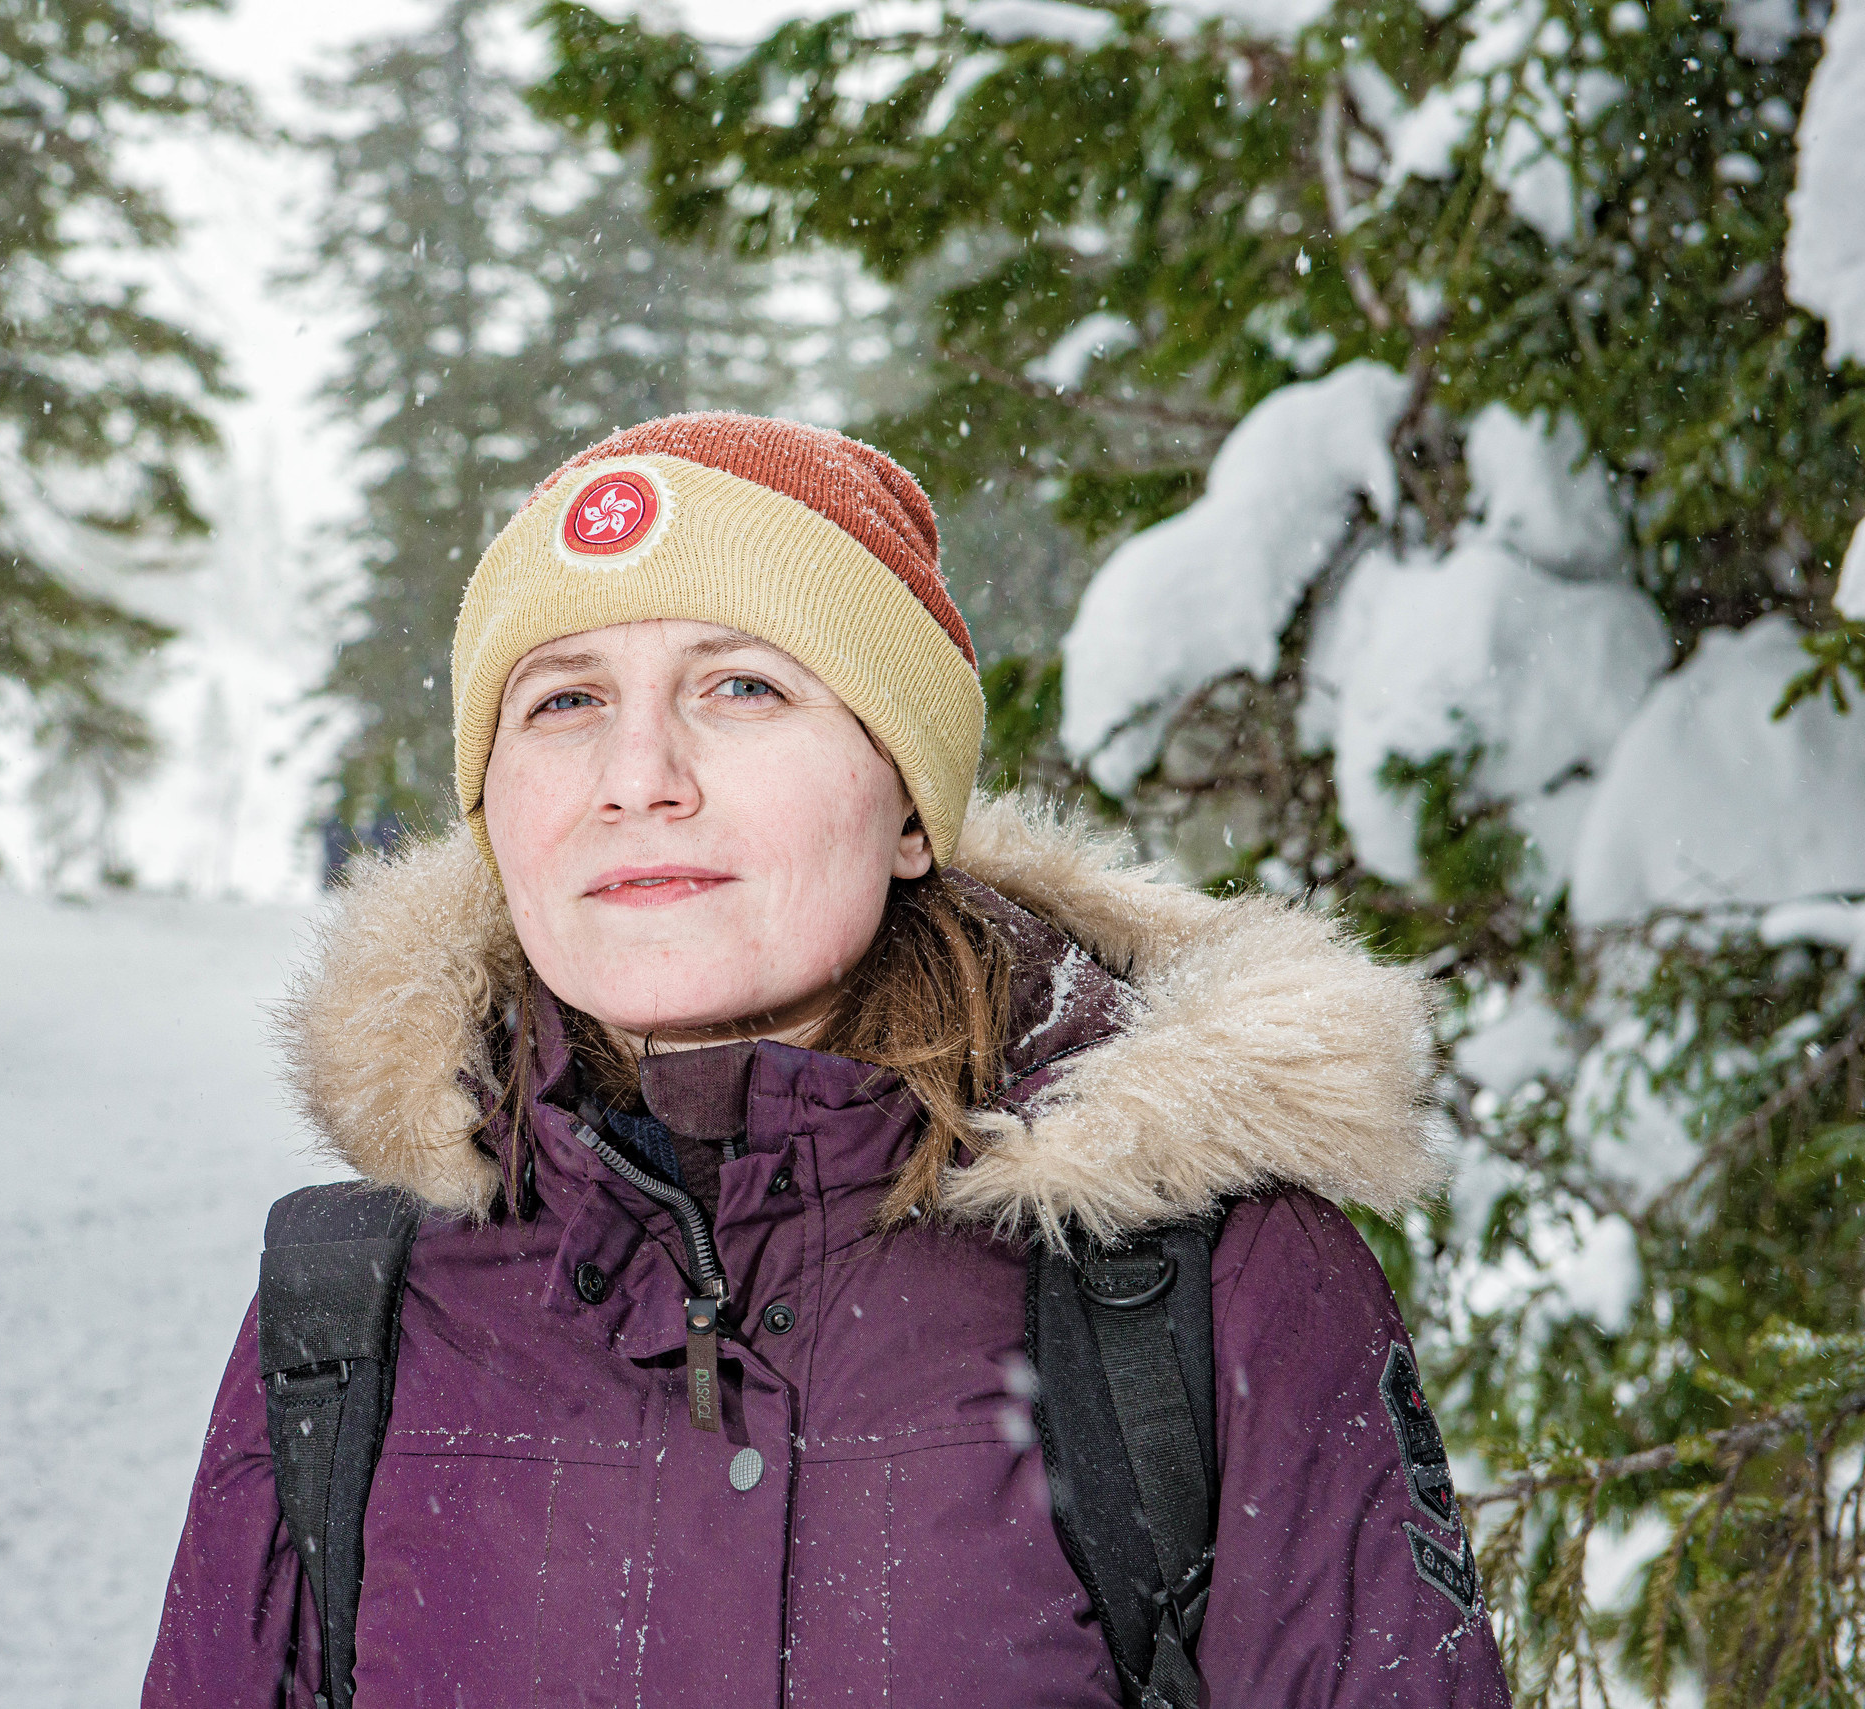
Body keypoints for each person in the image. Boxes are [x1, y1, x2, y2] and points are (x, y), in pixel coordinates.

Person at [143, 413, 1511, 1707]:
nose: (639, 773)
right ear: (496, 808)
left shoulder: (1199, 1290)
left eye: (741, 685)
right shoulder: (348, 1316)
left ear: (908, 807)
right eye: (562, 702)